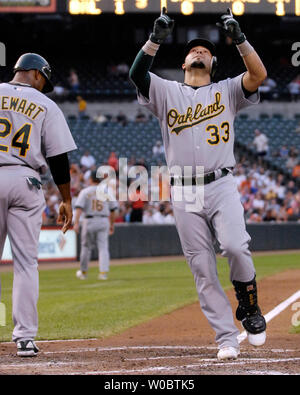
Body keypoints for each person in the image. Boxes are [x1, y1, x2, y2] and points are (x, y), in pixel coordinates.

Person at [130, 7, 267, 361]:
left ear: (214, 63)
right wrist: (154, 40)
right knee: (202, 267)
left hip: (220, 182)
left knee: (236, 246)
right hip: (185, 188)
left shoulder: (227, 90)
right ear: (184, 63)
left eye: (206, 50)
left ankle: (249, 305)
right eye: (194, 50)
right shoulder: (166, 90)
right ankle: (226, 337)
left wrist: (239, 38)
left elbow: (258, 74)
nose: (199, 51)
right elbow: (136, 74)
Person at [0, 53, 76, 356]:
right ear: (33, 73)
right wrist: (66, 199)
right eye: (43, 78)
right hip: (24, 179)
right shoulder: (46, 105)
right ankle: (25, 339)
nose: (44, 85)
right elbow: (58, 156)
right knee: (26, 264)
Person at [73, 171, 118, 281]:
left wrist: (76, 223)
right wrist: (112, 224)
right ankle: (103, 273)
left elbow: (79, 208)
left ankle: (83, 272)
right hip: (103, 220)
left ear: (91, 179)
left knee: (86, 247)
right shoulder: (107, 191)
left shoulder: (85, 191)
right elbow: (113, 210)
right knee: (103, 248)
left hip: (89, 220)